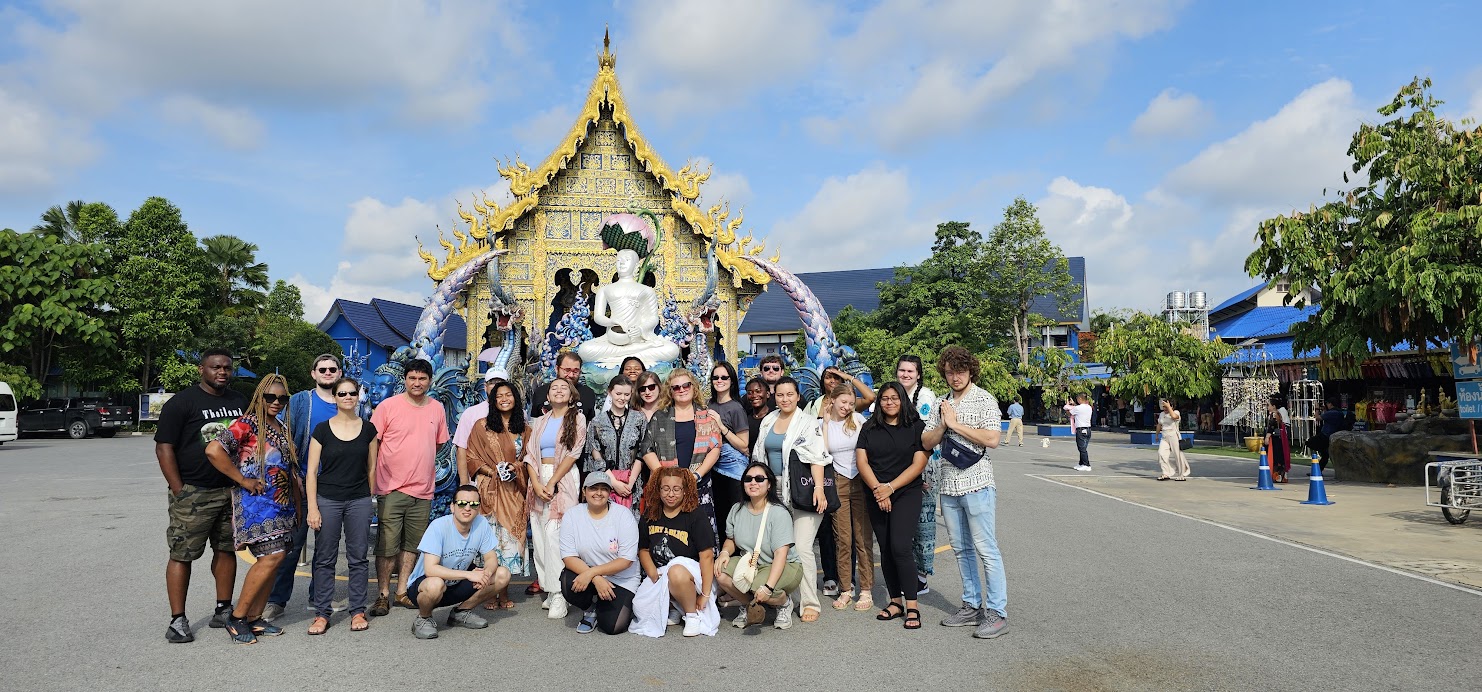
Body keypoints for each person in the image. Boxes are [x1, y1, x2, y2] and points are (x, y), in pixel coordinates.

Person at [157, 348, 248, 643]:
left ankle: (223, 608)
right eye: (215, 367)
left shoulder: (239, 401)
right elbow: (164, 447)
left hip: (231, 491)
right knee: (182, 554)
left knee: (226, 550)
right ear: (202, 369)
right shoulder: (182, 402)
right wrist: (178, 489)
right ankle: (178, 619)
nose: (222, 372)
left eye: (227, 368)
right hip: (194, 492)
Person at [204, 374, 302, 644]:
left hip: (282, 506)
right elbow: (214, 450)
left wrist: (298, 504)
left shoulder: (280, 426)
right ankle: (237, 618)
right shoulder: (246, 424)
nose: (276, 402)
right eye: (270, 397)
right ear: (259, 397)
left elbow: (288, 470)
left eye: (282, 398)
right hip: (257, 506)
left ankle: (255, 618)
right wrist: (242, 479)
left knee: (277, 558)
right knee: (269, 558)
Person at [921, 345, 1007, 640]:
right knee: (961, 549)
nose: (955, 377)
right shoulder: (941, 402)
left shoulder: (984, 399)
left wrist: (957, 424)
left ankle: (996, 612)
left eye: (960, 371)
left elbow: (993, 439)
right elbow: (926, 440)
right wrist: (944, 426)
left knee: (986, 549)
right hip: (948, 485)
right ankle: (972, 605)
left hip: (978, 483)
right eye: (949, 372)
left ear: (970, 370)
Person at [267, 353, 344, 622]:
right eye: (322, 369)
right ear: (313, 374)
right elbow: (283, 436)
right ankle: (276, 600)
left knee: (326, 549)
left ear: (339, 372)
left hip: (334, 486)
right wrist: (290, 472)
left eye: (332, 369)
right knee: (290, 545)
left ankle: (318, 598)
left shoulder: (348, 401)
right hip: (300, 482)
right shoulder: (301, 401)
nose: (327, 373)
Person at [368, 358, 448, 617]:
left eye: (422, 379)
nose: (417, 383)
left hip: (423, 490)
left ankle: (401, 591)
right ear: (405, 379)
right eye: (412, 378)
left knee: (411, 546)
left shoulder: (436, 408)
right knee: (387, 545)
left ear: (429, 381)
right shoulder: (387, 406)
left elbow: (437, 444)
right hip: (391, 488)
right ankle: (382, 594)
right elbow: (372, 444)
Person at [750, 376, 830, 624]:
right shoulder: (768, 420)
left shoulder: (808, 423)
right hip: (774, 490)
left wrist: (819, 488)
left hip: (804, 490)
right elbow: (758, 456)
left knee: (802, 546)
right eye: (780, 395)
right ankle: (785, 600)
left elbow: (817, 457)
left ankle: (809, 602)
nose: (785, 399)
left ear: (798, 396)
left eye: (790, 394)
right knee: (781, 548)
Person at [305, 377, 378, 634]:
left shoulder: (369, 429)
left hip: (358, 499)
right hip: (327, 499)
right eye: (342, 393)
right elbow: (311, 472)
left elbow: (372, 467)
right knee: (325, 558)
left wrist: (369, 497)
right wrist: (312, 508)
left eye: (352, 393)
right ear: (334, 397)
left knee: (358, 557)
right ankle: (322, 612)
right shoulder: (322, 430)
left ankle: (357, 609)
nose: (348, 397)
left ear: (358, 396)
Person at [856, 381, 928, 630]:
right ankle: (895, 602)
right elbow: (862, 461)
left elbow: (918, 464)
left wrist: (890, 488)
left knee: (900, 547)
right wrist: (879, 489)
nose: (889, 402)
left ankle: (912, 605)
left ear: (902, 400)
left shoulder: (915, 426)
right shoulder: (869, 427)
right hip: (876, 493)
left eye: (894, 398)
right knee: (886, 548)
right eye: (885, 398)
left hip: (906, 492)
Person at [405, 485, 511, 639]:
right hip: (425, 586)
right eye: (462, 503)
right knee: (435, 584)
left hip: (457, 583)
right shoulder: (438, 526)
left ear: (478, 508)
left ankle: (460, 613)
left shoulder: (481, 524)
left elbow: (491, 558)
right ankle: (424, 618)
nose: (467, 508)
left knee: (502, 574)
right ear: (452, 507)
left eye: (473, 504)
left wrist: (486, 574)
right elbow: (430, 569)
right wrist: (469, 575)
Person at [464, 380, 532, 611]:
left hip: (514, 493)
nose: (504, 399)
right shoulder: (481, 426)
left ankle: (504, 591)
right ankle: (489, 593)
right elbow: (471, 457)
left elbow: (529, 460)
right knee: (490, 545)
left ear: (516, 398)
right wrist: (492, 470)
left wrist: (515, 467)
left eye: (508, 395)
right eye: (499, 395)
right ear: (492, 401)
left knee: (509, 544)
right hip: (489, 494)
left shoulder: (525, 429)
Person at [630, 467, 719, 637]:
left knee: (676, 571)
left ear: (685, 490)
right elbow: (643, 549)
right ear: (658, 489)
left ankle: (692, 615)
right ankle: (676, 605)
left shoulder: (695, 514)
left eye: (676, 489)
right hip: (661, 574)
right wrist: (654, 576)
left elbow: (706, 556)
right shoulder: (651, 513)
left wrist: (706, 594)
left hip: (691, 575)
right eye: (666, 488)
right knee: (640, 608)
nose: (671, 494)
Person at [525, 377, 587, 618]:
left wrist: (551, 482)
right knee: (539, 537)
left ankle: (561, 592)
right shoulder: (540, 421)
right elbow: (530, 455)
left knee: (555, 535)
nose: (559, 391)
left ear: (571, 395)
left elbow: (574, 453)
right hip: (539, 477)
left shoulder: (577, 418)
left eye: (564, 388)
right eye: (554, 388)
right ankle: (550, 589)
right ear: (547, 396)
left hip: (563, 478)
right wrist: (537, 482)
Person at [715, 462, 804, 630]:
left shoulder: (778, 513)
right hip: (752, 563)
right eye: (748, 479)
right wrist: (725, 552)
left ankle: (784, 603)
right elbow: (731, 539)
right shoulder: (736, 509)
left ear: (769, 484)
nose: (753, 483)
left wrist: (768, 587)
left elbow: (780, 555)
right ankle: (750, 605)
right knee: (721, 573)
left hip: (784, 565)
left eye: (759, 479)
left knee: (758, 586)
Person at [640, 369, 723, 537]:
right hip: (667, 489)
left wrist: (696, 476)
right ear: (670, 392)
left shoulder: (706, 415)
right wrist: (665, 476)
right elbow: (646, 448)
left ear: (694, 387)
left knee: (701, 536)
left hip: (698, 484)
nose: (682, 390)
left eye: (686, 385)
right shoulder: (660, 417)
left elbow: (715, 447)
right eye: (676, 387)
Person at [559, 472, 641, 634]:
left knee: (612, 627)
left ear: (610, 492)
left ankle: (613, 606)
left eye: (604, 489)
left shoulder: (623, 515)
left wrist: (593, 573)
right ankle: (590, 610)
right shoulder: (572, 515)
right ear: (584, 491)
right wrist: (595, 578)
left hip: (622, 577)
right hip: (590, 573)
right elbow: (568, 557)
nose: (598, 493)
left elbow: (626, 560)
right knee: (568, 581)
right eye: (593, 488)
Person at [821, 383, 874, 612]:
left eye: (851, 404)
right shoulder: (823, 424)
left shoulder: (859, 421)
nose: (847, 407)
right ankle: (845, 588)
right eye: (843, 402)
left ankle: (866, 589)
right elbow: (822, 453)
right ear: (832, 400)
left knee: (862, 538)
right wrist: (823, 423)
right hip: (838, 480)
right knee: (843, 539)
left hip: (860, 480)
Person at [578, 247, 682, 364]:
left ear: (636, 265)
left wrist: (640, 329)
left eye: (626, 260)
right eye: (618, 260)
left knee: (672, 350)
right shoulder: (605, 290)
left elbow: (653, 318)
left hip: (638, 339)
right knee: (584, 350)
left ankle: (625, 354)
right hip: (613, 340)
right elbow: (598, 317)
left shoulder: (647, 291)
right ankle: (634, 354)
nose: (621, 263)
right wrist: (612, 322)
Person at [896, 354, 939, 596]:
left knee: (923, 522)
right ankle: (909, 571)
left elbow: (921, 433)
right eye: (902, 370)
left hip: (924, 464)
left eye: (910, 371)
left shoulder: (925, 397)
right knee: (905, 523)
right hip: (901, 464)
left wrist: (920, 473)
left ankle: (921, 576)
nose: (906, 375)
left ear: (918, 374)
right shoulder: (894, 393)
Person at [587, 376, 647, 511]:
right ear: (610, 392)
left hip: (632, 483)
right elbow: (596, 455)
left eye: (626, 394)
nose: (622, 398)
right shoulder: (597, 422)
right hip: (605, 482)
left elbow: (642, 451)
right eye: (618, 393)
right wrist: (614, 483)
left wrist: (630, 483)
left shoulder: (639, 418)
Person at [708, 362, 750, 541]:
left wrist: (721, 426)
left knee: (736, 520)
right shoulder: (709, 404)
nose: (719, 381)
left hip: (733, 470)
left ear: (732, 381)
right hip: (713, 467)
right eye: (716, 377)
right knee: (720, 517)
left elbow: (743, 445)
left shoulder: (736, 407)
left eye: (724, 377)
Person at [455, 368, 506, 485]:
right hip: (480, 478)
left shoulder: (518, 413)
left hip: (510, 479)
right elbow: (462, 448)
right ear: (485, 386)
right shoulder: (471, 413)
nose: (497, 386)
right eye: (492, 382)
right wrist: (464, 483)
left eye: (501, 382)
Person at [530, 352, 598, 420]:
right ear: (557, 369)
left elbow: (590, 425)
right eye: (567, 370)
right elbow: (534, 422)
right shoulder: (541, 392)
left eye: (575, 371)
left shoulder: (588, 393)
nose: (571, 375)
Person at [803, 366, 876, 416]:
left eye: (836, 378)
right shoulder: (812, 405)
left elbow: (871, 397)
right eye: (828, 378)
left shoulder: (850, 402)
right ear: (823, 382)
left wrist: (848, 377)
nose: (832, 381)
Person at [1155, 398, 1190, 482]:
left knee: (1178, 455)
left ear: (1172, 406)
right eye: (1163, 407)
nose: (1165, 409)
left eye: (1166, 407)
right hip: (1164, 436)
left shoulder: (1176, 412)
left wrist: (1169, 407)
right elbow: (1159, 425)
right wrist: (1157, 435)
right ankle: (1166, 473)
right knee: (1161, 453)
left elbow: (1174, 417)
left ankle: (1181, 474)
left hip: (1173, 435)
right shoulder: (1161, 414)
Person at [1264, 396, 1292, 483]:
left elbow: (1272, 426)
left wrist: (1267, 436)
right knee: (1282, 456)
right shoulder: (1282, 412)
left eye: (1269, 405)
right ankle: (1283, 475)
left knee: (1277, 457)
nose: (1268, 407)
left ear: (1274, 406)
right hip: (1282, 438)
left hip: (1277, 438)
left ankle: (1278, 475)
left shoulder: (1275, 414)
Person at [744, 378, 774, 452]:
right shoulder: (745, 419)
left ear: (767, 394)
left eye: (758, 391)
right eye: (750, 393)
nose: (754, 395)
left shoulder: (775, 417)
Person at [1065, 393, 1093, 471]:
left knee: (1081, 448)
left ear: (1080, 399)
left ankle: (1087, 465)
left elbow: (1069, 413)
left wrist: (1067, 406)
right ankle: (1081, 463)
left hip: (1081, 430)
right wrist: (1073, 404)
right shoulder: (1089, 407)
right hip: (1088, 429)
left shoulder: (1078, 408)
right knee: (1083, 447)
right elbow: (1077, 408)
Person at [1315, 399, 1346, 471]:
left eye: (1327, 404)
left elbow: (1317, 418)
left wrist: (1317, 409)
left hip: (1326, 435)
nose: (1327, 405)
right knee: (1327, 454)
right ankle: (1320, 469)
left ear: (1331, 404)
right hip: (1335, 434)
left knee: (1325, 454)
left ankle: (1318, 471)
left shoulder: (1331, 413)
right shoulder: (1339, 412)